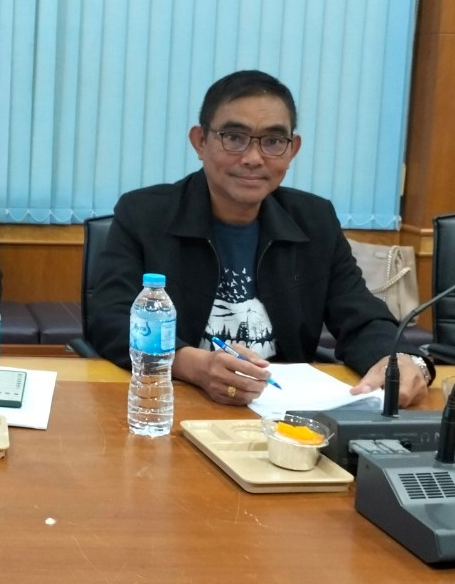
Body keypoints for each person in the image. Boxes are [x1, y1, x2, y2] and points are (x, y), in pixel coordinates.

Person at [86, 70, 433, 408]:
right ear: (200, 142)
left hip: (283, 413)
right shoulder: (145, 214)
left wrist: (403, 359)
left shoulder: (314, 220)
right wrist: (191, 364)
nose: (252, 158)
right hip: (175, 402)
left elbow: (361, 316)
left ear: (292, 150)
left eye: (273, 141)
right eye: (234, 138)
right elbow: (110, 318)